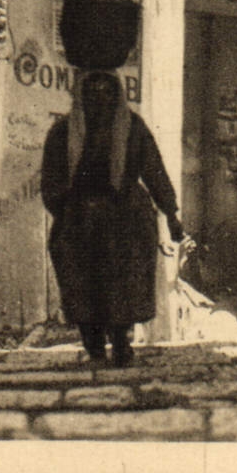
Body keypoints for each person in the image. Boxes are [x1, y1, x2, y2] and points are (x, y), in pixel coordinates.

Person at [38, 70, 183, 366]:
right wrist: (69, 211)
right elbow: (51, 181)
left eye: (107, 92)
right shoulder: (62, 133)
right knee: (82, 283)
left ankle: (120, 342)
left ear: (117, 95)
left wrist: (171, 213)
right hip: (79, 218)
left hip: (125, 217)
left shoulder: (133, 129)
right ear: (80, 96)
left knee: (122, 282)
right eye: (92, 93)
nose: (100, 99)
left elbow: (154, 170)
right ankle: (92, 344)